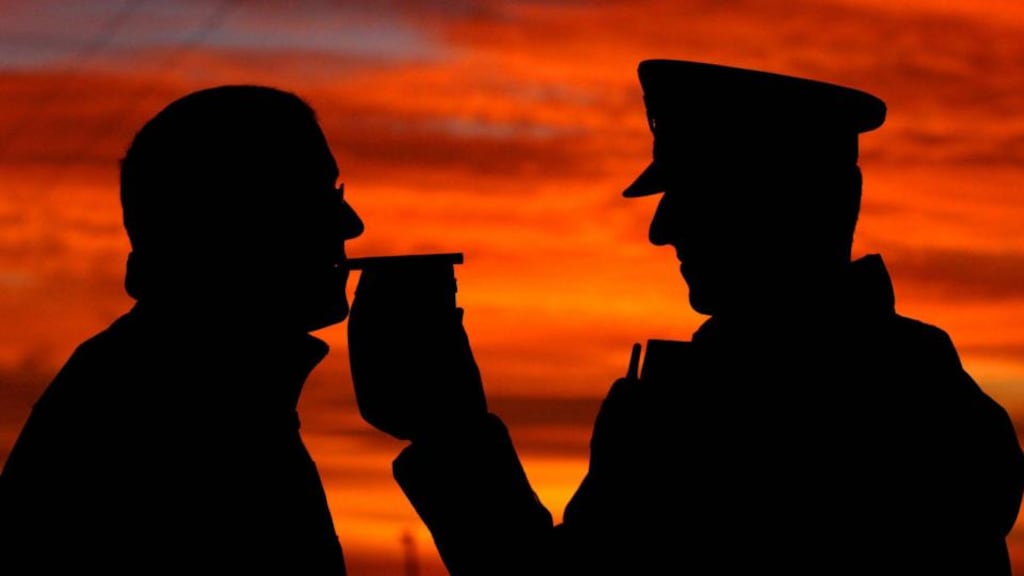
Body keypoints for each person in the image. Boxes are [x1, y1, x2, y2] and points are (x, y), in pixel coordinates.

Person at [347, 60, 1024, 575]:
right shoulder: (899, 385)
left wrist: (452, 435)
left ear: (780, 203)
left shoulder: (871, 404)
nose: (661, 230)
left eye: (695, 195)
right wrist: (451, 434)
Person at [0, 85, 364, 573]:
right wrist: (448, 437)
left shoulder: (214, 388)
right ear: (235, 219)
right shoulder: (166, 411)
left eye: (336, 193)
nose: (351, 224)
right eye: (315, 196)